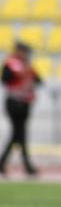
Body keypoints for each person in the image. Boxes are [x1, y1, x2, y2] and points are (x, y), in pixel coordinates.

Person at [1, 41, 42, 176]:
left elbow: (39, 80)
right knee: (19, 135)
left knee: (18, 135)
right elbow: (5, 79)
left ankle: (4, 164)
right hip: (14, 103)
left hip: (25, 104)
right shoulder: (11, 64)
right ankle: (28, 167)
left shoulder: (27, 66)